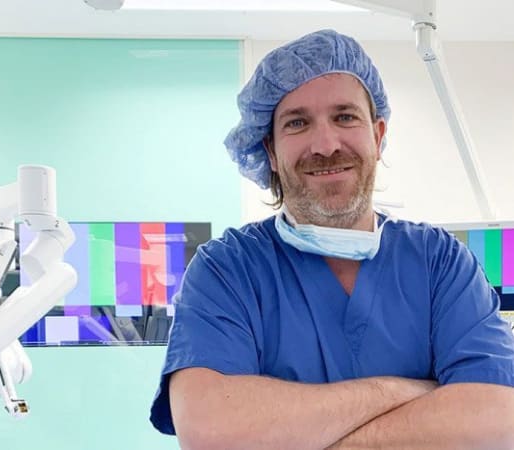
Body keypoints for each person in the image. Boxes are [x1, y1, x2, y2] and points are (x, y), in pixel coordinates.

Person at [149, 29, 514, 449]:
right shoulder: (227, 271)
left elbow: (496, 418)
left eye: (345, 116)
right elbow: (214, 431)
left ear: (378, 136)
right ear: (270, 150)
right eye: (298, 123)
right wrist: (404, 391)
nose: (325, 145)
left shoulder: (441, 263)